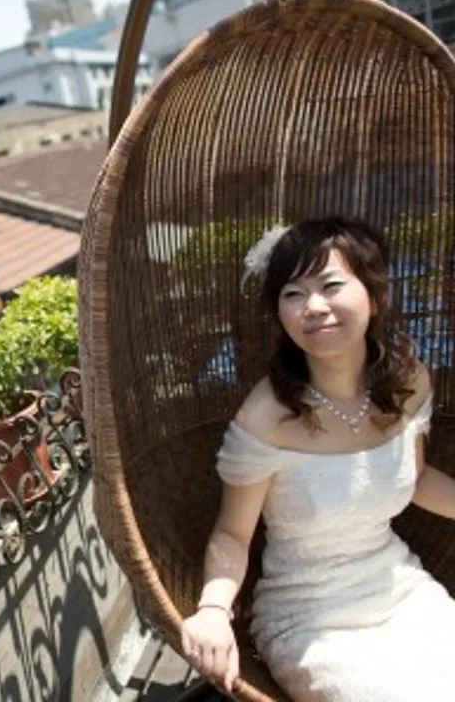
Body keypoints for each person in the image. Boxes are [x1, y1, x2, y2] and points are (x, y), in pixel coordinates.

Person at [180, 217, 455, 701]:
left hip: (397, 586)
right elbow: (232, 534)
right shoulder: (267, 415)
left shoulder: (409, 382)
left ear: (374, 293)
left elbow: (415, 479)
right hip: (308, 615)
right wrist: (213, 610)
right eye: (293, 293)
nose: (313, 306)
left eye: (330, 285)